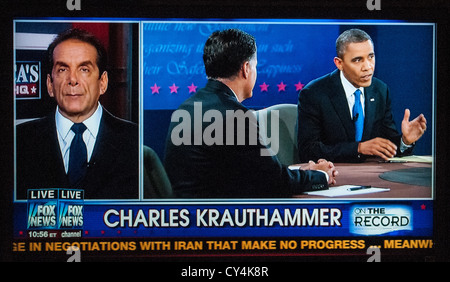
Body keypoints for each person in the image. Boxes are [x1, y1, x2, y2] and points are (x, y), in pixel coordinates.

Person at [164, 29, 337, 198]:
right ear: (246, 68)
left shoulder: (186, 107)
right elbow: (275, 182)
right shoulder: (235, 116)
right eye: (255, 66)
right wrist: (320, 176)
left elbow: (255, 171)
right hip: (220, 219)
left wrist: (301, 172)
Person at [16, 28, 138, 199]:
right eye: (62, 70)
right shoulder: (18, 142)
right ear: (50, 85)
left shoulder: (135, 141)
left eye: (84, 69)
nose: (72, 80)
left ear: (103, 82)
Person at [297, 28, 427, 163]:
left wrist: (404, 141)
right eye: (358, 60)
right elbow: (308, 151)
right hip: (332, 175)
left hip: (369, 176)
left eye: (371, 57)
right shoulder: (314, 94)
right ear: (339, 63)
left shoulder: (380, 90)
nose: (368, 67)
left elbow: (387, 145)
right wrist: (358, 148)